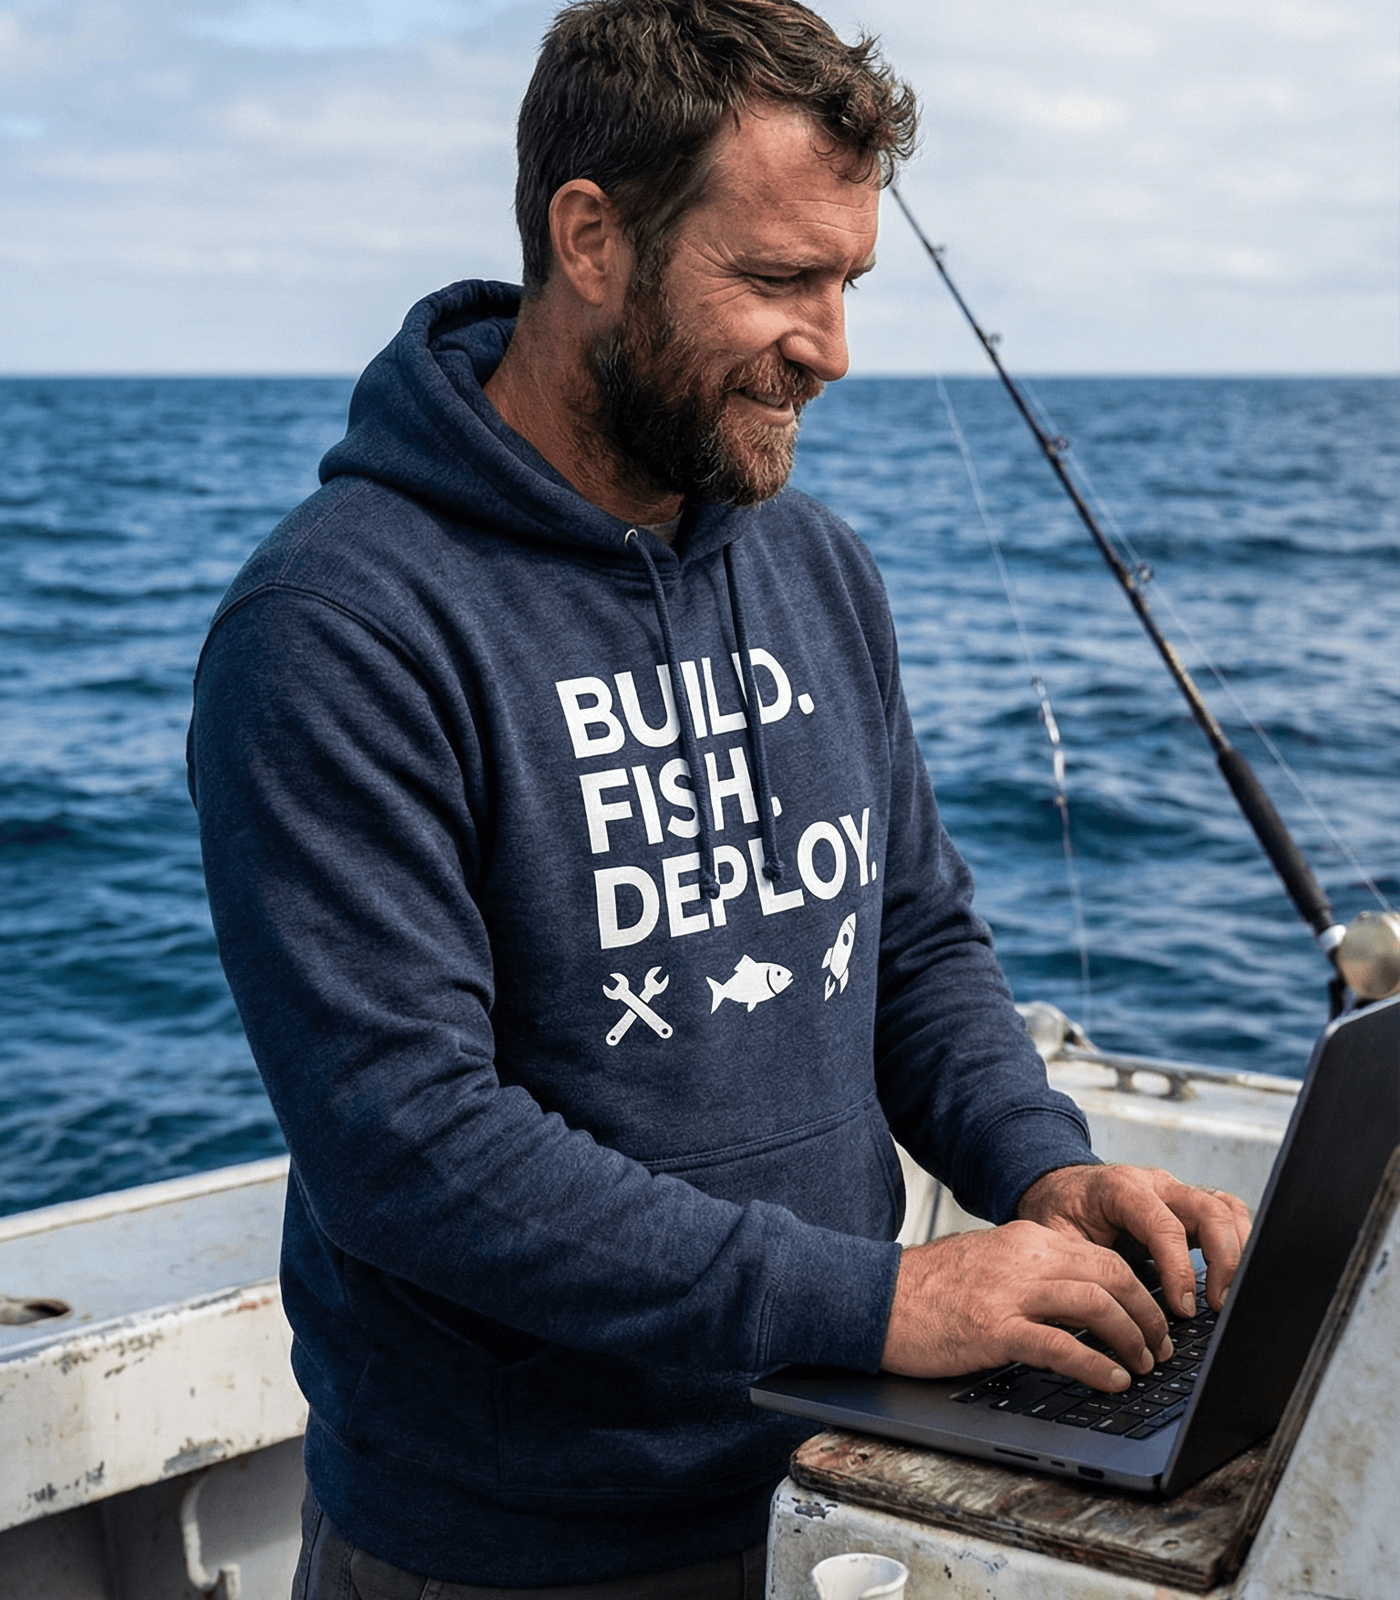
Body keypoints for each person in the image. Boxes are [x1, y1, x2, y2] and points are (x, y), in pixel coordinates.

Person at [187, 2, 1250, 1594]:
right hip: (507, 1544)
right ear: (592, 238)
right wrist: (884, 1303)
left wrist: (1043, 1165)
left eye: (847, 282)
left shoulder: (818, 566)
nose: (829, 346)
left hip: (834, 1479)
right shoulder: (337, 626)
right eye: (774, 280)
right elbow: (407, 1148)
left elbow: (910, 945)